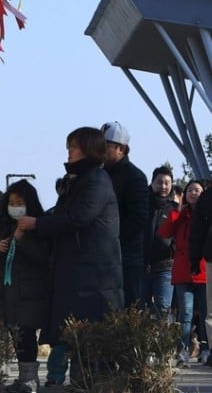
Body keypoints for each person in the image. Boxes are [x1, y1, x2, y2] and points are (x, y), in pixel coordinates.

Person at [17, 127, 123, 388]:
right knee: (67, 333)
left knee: (82, 336)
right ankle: (61, 380)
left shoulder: (96, 180)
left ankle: (80, 382)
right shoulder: (76, 180)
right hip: (75, 270)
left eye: (74, 147)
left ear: (88, 149)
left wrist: (38, 224)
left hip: (92, 275)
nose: (69, 151)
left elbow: (78, 218)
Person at [0, 179, 51, 392]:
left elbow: (43, 255)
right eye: (12, 202)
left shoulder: (39, 225)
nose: (15, 206)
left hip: (28, 293)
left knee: (26, 337)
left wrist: (20, 241)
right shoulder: (1, 224)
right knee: (4, 335)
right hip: (3, 292)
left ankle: (29, 379)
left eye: (20, 202)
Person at [100, 121, 149, 306]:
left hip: (126, 255)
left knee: (128, 307)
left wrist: (115, 240)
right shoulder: (100, 174)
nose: (101, 150)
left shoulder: (135, 177)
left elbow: (138, 217)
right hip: (103, 253)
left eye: (105, 145)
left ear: (120, 148)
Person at [160, 179, 209, 365]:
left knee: (206, 314)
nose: (193, 193)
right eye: (190, 190)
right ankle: (183, 350)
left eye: (197, 190)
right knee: (185, 312)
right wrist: (176, 211)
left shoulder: (207, 214)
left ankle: (206, 349)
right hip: (182, 270)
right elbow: (165, 233)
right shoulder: (181, 214)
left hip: (204, 270)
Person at [143, 166, 176, 318]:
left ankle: (164, 342)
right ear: (152, 183)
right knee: (139, 310)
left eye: (167, 183)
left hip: (165, 266)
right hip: (142, 264)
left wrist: (172, 249)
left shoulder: (175, 209)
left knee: (163, 310)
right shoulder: (142, 205)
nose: (163, 186)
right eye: (159, 182)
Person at [190, 181, 212, 368]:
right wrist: (195, 259)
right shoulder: (207, 196)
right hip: (211, 257)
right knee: (211, 311)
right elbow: (198, 230)